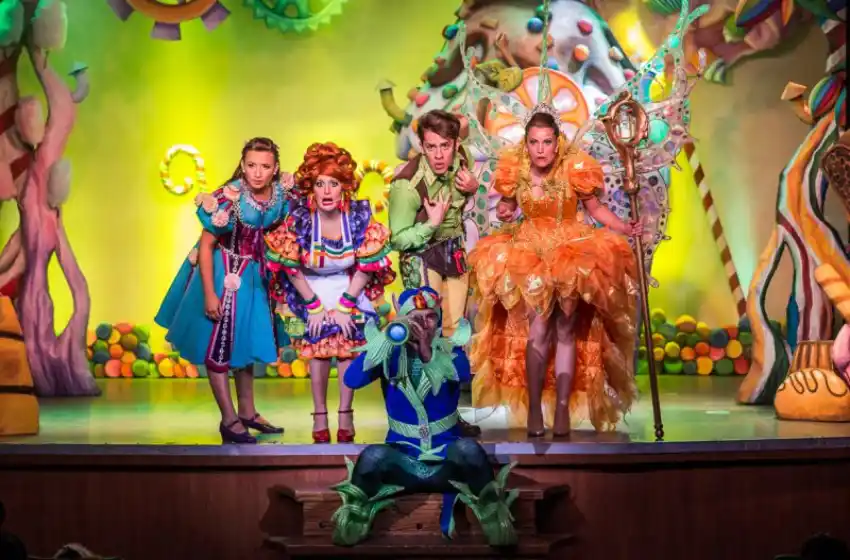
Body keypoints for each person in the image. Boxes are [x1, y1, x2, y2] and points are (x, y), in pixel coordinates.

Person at [468, 109, 641, 437]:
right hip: (530, 254)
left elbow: (595, 208)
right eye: (534, 142)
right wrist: (505, 210)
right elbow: (507, 207)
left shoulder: (575, 168)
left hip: (570, 252)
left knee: (565, 330)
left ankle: (562, 409)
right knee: (538, 330)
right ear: (526, 144)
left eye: (547, 142)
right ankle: (535, 408)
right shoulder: (515, 169)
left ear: (557, 142)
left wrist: (623, 227)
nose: (541, 149)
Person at [329, 287, 517, 547]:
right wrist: (386, 340)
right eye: (415, 318)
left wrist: (428, 352)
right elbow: (352, 380)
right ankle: (353, 519)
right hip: (403, 463)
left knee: (470, 450)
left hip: (446, 464)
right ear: (402, 319)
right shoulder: (390, 353)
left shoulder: (451, 351)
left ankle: (495, 519)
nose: (423, 325)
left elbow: (462, 376)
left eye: (430, 317)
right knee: (372, 456)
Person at [155, 137, 291, 444]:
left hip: (255, 279)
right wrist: (209, 294)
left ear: (275, 168)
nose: (257, 172)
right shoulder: (230, 197)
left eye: (265, 166)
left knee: (244, 341)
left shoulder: (280, 195)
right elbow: (206, 246)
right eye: (251, 165)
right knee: (220, 344)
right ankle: (229, 420)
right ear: (242, 165)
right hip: (225, 274)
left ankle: (247, 412)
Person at [265, 142, 395, 444]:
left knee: (347, 347)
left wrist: (346, 305)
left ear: (344, 187)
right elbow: (291, 267)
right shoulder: (300, 218)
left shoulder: (359, 216)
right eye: (320, 183)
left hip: (350, 288)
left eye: (333, 184)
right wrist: (314, 306)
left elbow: (366, 266)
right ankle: (320, 414)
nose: (326, 191)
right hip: (309, 290)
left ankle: (346, 413)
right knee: (319, 348)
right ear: (311, 186)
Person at [388, 109, 481, 437]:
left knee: (455, 335)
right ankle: (421, 415)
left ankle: (449, 415)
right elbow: (397, 238)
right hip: (421, 256)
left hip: (452, 251)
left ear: (455, 144)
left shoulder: (463, 162)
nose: (439, 155)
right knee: (425, 335)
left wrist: (473, 187)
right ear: (422, 146)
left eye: (445, 146)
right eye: (431, 147)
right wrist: (430, 224)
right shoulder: (407, 183)